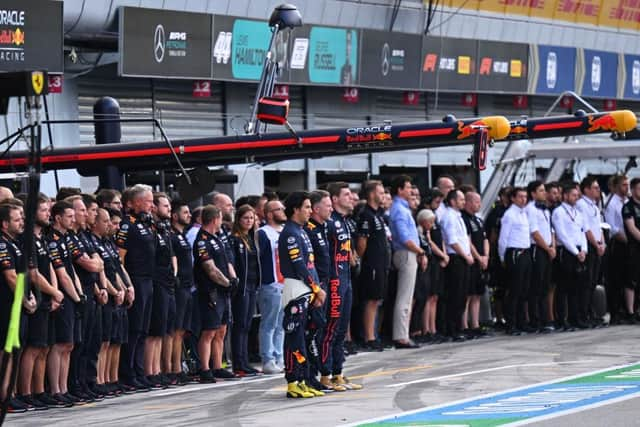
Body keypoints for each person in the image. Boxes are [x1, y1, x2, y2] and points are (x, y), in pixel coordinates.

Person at [17, 195, 65, 409]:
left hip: (47, 297)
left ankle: (40, 391)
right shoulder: (26, 240)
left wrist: (55, 293)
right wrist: (54, 291)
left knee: (44, 348)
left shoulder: (42, 238)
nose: (48, 213)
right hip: (35, 297)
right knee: (33, 348)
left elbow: (52, 268)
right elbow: (34, 274)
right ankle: (26, 393)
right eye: (43, 210)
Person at [278, 191, 326, 398]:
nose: (310, 211)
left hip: (305, 290)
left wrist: (314, 290)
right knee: (294, 337)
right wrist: (316, 288)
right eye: (306, 207)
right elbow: (298, 265)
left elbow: (309, 265)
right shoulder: (290, 232)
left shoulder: (301, 230)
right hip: (296, 289)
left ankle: (303, 378)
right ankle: (293, 382)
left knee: (306, 336)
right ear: (295, 209)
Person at [321, 182, 361, 391]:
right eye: (346, 194)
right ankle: (325, 374)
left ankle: (338, 372)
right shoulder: (329, 222)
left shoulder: (344, 221)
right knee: (331, 329)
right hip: (334, 281)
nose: (351, 197)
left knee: (341, 329)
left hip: (346, 279)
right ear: (335, 199)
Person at [66, 194, 107, 401]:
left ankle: (87, 381)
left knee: (92, 340)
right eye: (81, 210)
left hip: (92, 291)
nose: (85, 214)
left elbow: (99, 262)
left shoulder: (83, 237)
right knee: (78, 343)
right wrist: (95, 264)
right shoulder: (69, 238)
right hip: (79, 294)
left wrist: (101, 284)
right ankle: (75, 384)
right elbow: (92, 264)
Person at [116, 184, 155, 391]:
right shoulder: (126, 225)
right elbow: (120, 257)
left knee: (143, 330)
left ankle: (139, 371)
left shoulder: (146, 224)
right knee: (134, 329)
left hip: (149, 280)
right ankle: (128, 372)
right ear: (136, 202)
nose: (151, 205)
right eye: (148, 201)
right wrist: (126, 284)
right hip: (136, 279)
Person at [193, 205, 238, 383]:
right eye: (220, 218)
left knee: (221, 330)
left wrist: (233, 279)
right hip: (210, 291)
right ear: (214, 219)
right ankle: (204, 368)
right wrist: (226, 283)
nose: (221, 222)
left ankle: (218, 366)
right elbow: (210, 268)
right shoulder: (202, 241)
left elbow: (226, 262)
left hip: (223, 291)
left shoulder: (217, 237)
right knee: (209, 331)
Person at [46, 201, 85, 406]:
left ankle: (64, 388)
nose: (72, 219)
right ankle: (56, 390)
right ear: (58, 218)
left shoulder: (67, 238)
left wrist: (79, 294)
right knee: (60, 343)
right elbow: (62, 275)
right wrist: (76, 297)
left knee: (69, 345)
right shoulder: (52, 239)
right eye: (68, 216)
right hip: (63, 295)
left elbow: (72, 270)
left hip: (73, 294)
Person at [0, 203, 37, 412]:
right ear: (5, 224)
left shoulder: (13, 243)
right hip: (6, 306)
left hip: (16, 306)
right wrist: (25, 300)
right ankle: (5, 395)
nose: (21, 222)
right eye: (17, 219)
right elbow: (11, 277)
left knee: (15, 351)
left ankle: (11, 394)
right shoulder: (3, 245)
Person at [389, 175, 424, 348]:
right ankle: (401, 336)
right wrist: (420, 251)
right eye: (408, 187)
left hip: (408, 253)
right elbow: (404, 237)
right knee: (404, 297)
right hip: (406, 253)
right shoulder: (399, 210)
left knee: (407, 297)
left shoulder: (402, 208)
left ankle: (404, 333)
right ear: (400, 190)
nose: (411, 191)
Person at [146, 193, 177, 388]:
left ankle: (157, 370)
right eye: (165, 206)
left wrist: (173, 272)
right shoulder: (150, 229)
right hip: (155, 282)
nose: (169, 209)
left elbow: (171, 254)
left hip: (167, 282)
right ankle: (150, 372)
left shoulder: (164, 229)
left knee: (163, 330)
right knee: (154, 330)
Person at [303, 190, 333, 391]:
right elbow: (308, 263)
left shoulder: (322, 228)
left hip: (323, 284)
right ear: (316, 208)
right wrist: (315, 290)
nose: (331, 208)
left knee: (320, 329)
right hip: (314, 288)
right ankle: (310, 375)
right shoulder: (309, 230)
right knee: (311, 332)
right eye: (327, 205)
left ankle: (319, 374)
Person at [357, 181, 390, 351]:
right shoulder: (366, 215)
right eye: (381, 192)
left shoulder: (378, 214)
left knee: (378, 300)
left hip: (382, 263)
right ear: (371, 194)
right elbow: (362, 242)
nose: (383, 194)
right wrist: (365, 260)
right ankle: (369, 337)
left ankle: (374, 334)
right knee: (371, 300)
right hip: (372, 264)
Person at [230, 205, 261, 377]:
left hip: (251, 285)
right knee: (240, 325)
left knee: (247, 325)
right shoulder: (234, 239)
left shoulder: (251, 238)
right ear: (238, 219)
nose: (249, 221)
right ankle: (238, 363)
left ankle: (245, 362)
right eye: (246, 218)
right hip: (241, 287)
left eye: (252, 218)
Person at [553, 183, 589, 330]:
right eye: (573, 195)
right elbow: (562, 234)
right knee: (563, 287)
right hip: (567, 251)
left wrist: (584, 250)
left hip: (579, 250)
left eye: (577, 195)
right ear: (565, 196)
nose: (576, 198)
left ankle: (575, 318)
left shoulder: (578, 213)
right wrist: (575, 251)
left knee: (576, 287)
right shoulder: (559, 212)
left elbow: (582, 232)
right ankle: (562, 319)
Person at [257, 200, 286, 375]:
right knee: (269, 323)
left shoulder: (284, 231)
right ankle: (268, 359)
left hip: (285, 283)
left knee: (281, 325)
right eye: (279, 209)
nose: (283, 211)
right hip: (271, 283)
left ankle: (279, 357)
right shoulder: (263, 233)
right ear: (269, 214)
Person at [498, 187, 531, 335]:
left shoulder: (524, 213)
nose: (523, 199)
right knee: (514, 290)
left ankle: (521, 322)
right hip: (514, 252)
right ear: (513, 198)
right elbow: (503, 238)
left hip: (525, 252)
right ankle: (511, 324)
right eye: (520, 197)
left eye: (525, 197)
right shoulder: (510, 215)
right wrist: (503, 257)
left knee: (524, 290)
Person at [441, 189, 473, 341]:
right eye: (460, 199)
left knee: (462, 295)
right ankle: (451, 329)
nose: (463, 202)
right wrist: (465, 256)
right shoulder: (449, 217)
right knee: (455, 295)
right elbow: (452, 241)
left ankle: (459, 327)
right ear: (452, 201)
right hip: (456, 258)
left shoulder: (458, 216)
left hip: (463, 257)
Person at [525, 181, 556, 333]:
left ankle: (545, 319)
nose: (544, 193)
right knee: (536, 286)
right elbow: (535, 233)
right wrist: (547, 248)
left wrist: (553, 247)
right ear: (533, 193)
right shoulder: (531, 209)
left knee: (545, 285)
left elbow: (551, 230)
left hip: (548, 249)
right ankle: (535, 320)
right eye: (541, 190)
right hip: (538, 249)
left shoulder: (545, 210)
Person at [170, 199, 194, 385]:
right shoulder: (172, 235)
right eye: (185, 212)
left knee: (182, 330)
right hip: (178, 287)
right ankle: (173, 368)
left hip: (187, 285)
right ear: (175, 215)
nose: (189, 215)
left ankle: (178, 366)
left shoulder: (183, 235)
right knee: (175, 330)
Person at [576, 176, 606, 326]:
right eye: (595, 188)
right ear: (586, 189)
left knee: (594, 281)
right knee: (586, 282)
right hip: (589, 245)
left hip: (597, 245)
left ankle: (591, 311)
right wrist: (595, 244)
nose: (598, 190)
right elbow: (586, 228)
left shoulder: (594, 206)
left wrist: (602, 243)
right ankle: (584, 313)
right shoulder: (581, 204)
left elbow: (598, 227)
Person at [461, 191, 489, 338]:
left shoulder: (478, 220)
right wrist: (478, 257)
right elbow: (468, 240)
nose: (479, 205)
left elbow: (485, 239)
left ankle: (475, 324)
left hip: (480, 261)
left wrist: (486, 256)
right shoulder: (464, 219)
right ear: (468, 202)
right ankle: (465, 326)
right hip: (471, 261)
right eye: (477, 202)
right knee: (468, 294)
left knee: (477, 294)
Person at [604, 175, 631, 323]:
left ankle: (627, 310)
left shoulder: (627, 201)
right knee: (616, 279)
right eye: (623, 185)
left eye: (627, 185)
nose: (626, 188)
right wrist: (628, 240)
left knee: (628, 278)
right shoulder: (611, 203)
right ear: (615, 187)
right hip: (618, 243)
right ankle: (616, 312)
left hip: (630, 243)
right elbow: (612, 228)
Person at [622, 178, 640, 321]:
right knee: (631, 280)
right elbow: (632, 228)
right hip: (634, 247)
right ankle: (630, 312)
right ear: (633, 190)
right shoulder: (628, 207)